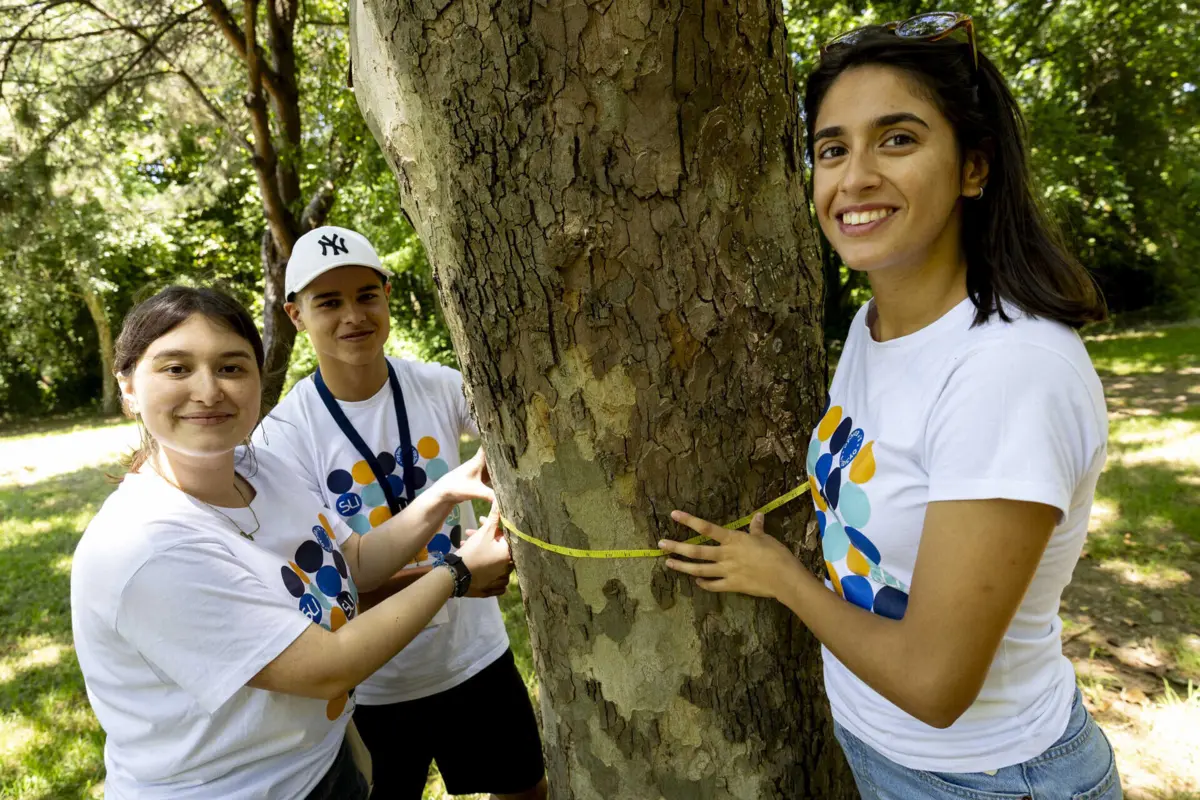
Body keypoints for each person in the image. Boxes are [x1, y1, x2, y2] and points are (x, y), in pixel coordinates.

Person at [660, 13, 1122, 800]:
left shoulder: (1010, 371)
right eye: (832, 148)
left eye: (897, 139)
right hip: (882, 754)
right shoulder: (873, 328)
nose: (855, 176)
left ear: (974, 168)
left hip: (991, 778)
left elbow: (936, 685)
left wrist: (782, 578)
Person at [70, 286, 512, 799]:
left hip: (319, 764)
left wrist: (444, 492)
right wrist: (456, 573)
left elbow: (357, 562)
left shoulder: (260, 469)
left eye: (232, 367)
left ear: (261, 380)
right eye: (176, 368)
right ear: (127, 387)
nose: (208, 390)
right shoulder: (146, 547)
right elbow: (327, 667)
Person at [256, 226, 547, 800]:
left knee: (525, 790)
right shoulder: (284, 436)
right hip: (375, 681)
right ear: (295, 315)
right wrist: (457, 576)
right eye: (328, 302)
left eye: (366, 294)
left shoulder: (436, 386)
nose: (353, 316)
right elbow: (333, 580)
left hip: (473, 656)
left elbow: (523, 419)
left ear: (387, 294)